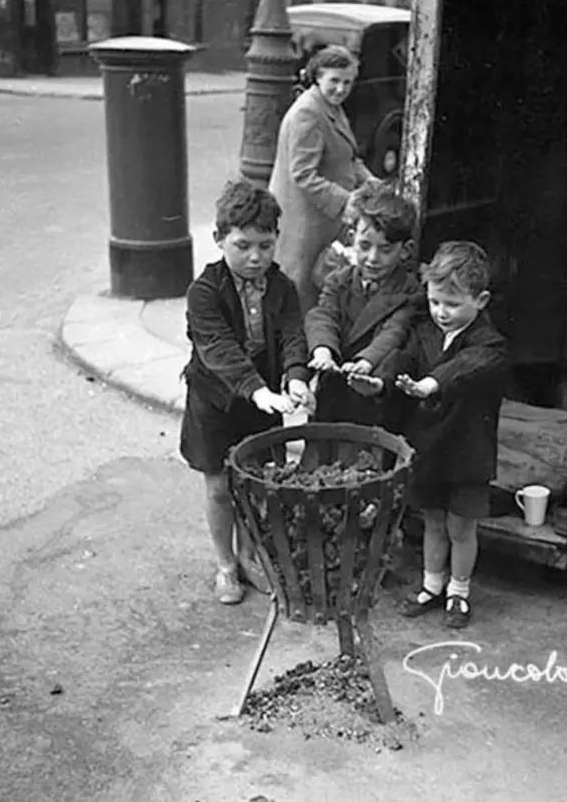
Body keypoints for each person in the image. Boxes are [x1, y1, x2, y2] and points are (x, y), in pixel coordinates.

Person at [348, 241, 509, 628]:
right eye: (436, 302)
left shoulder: (490, 345)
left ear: (481, 300)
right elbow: (400, 360)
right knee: (433, 522)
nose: (442, 313)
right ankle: (431, 584)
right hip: (430, 448)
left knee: (461, 527)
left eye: (453, 305)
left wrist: (429, 385)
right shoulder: (424, 332)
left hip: (466, 451)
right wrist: (380, 383)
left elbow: (468, 367)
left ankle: (459, 591)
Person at [179, 179, 315, 605]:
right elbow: (218, 349)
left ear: (277, 239)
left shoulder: (282, 287)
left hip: (263, 400)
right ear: (219, 240)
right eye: (243, 245)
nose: (255, 257)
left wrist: (295, 376)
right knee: (219, 487)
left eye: (265, 244)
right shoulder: (204, 292)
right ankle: (225, 565)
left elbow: (294, 333)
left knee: (256, 484)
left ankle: (249, 555)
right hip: (216, 402)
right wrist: (258, 391)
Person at [269, 44, 377, 312]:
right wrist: (346, 201)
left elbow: (347, 157)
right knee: (303, 290)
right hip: (306, 222)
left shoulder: (329, 106)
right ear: (318, 77)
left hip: (323, 218)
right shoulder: (308, 113)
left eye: (348, 82)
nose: (341, 89)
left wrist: (371, 181)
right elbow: (303, 174)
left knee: (320, 288)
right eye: (335, 81)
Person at [305, 180, 421, 430]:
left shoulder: (409, 290)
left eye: (385, 249)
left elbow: (394, 331)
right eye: (365, 246)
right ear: (351, 238)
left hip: (376, 388)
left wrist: (366, 362)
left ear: (405, 250)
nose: (372, 258)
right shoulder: (338, 280)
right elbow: (324, 316)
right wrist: (323, 350)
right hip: (334, 384)